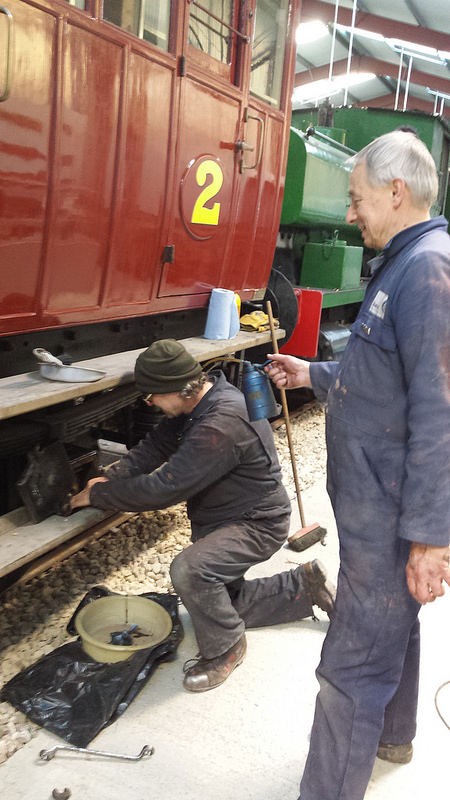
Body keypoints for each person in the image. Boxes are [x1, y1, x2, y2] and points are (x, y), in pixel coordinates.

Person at [267, 130, 450, 800]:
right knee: (391, 623)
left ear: (396, 192)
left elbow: (440, 414)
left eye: (358, 198)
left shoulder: (429, 272)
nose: (350, 213)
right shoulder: (405, 265)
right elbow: (379, 375)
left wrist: (432, 539)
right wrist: (312, 371)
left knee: (349, 665)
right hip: (379, 505)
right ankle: (394, 736)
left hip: (396, 513)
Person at [70, 338, 335, 692]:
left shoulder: (219, 423)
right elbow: (156, 446)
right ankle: (302, 587)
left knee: (191, 571)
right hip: (228, 517)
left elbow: (164, 487)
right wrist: (112, 477)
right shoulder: (202, 400)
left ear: (175, 389)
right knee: (223, 603)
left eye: (150, 397)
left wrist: (99, 495)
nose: (149, 404)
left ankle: (226, 647)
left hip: (256, 523)